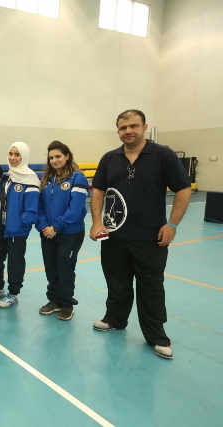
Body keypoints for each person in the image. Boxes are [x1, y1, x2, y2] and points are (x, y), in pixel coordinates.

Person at [90, 109, 191, 359]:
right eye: (123, 127)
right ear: (118, 131)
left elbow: (183, 188)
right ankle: (115, 318)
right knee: (117, 282)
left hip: (150, 238)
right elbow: (98, 190)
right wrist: (96, 222)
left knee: (151, 287)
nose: (128, 131)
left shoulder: (163, 155)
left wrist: (172, 225)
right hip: (114, 237)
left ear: (144, 127)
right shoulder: (109, 158)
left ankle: (156, 336)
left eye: (134, 126)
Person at [36, 141, 88, 321]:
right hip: (47, 232)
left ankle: (66, 304)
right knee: (51, 268)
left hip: (70, 233)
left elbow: (75, 209)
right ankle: (54, 301)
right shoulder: (46, 179)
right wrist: (44, 226)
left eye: (58, 156)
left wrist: (56, 227)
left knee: (65, 268)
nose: (54, 160)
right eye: (51, 157)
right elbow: (38, 206)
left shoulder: (77, 178)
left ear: (67, 156)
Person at [0, 142, 40, 309]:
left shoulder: (30, 179)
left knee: (15, 262)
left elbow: (31, 210)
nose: (12, 158)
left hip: (17, 230)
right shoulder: (8, 177)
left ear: (24, 156)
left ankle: (13, 294)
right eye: (10, 154)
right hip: (1, 226)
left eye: (17, 155)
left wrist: (19, 225)